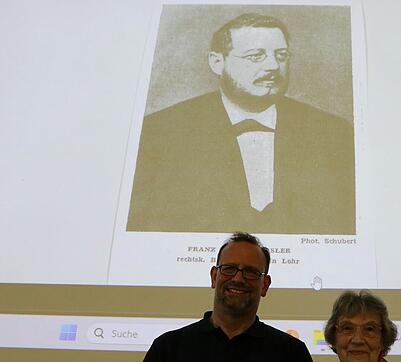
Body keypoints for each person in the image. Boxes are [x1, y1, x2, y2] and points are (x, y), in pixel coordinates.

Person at [127, 12, 355, 235]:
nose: (274, 66)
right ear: (217, 62)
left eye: (281, 55)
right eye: (256, 56)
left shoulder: (334, 133)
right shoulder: (159, 132)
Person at [123, 232, 319, 362]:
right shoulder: (167, 348)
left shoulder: (292, 353)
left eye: (251, 272)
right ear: (214, 276)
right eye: (229, 269)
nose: (238, 278)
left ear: (265, 285)